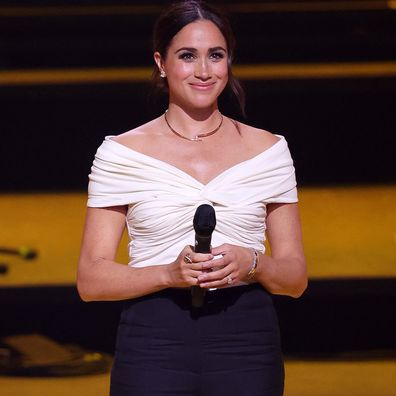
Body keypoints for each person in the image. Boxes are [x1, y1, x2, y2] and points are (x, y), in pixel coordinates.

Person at [77, 1, 307, 395]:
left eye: (215, 56)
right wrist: (169, 274)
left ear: (229, 62)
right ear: (161, 62)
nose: (204, 71)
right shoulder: (121, 153)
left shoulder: (268, 151)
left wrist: (252, 262)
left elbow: (295, 278)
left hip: (246, 340)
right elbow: (91, 280)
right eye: (187, 56)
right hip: (153, 341)